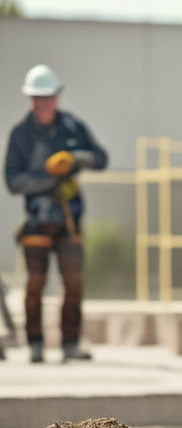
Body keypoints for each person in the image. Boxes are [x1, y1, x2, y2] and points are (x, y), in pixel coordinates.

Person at [4, 63, 108, 363]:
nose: (43, 103)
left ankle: (70, 343)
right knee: (35, 283)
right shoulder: (21, 135)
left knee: (74, 281)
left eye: (48, 97)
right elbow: (12, 180)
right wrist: (48, 178)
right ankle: (35, 344)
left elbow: (101, 158)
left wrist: (76, 159)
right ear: (30, 99)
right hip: (37, 220)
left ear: (57, 96)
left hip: (68, 220)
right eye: (37, 98)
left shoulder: (73, 127)